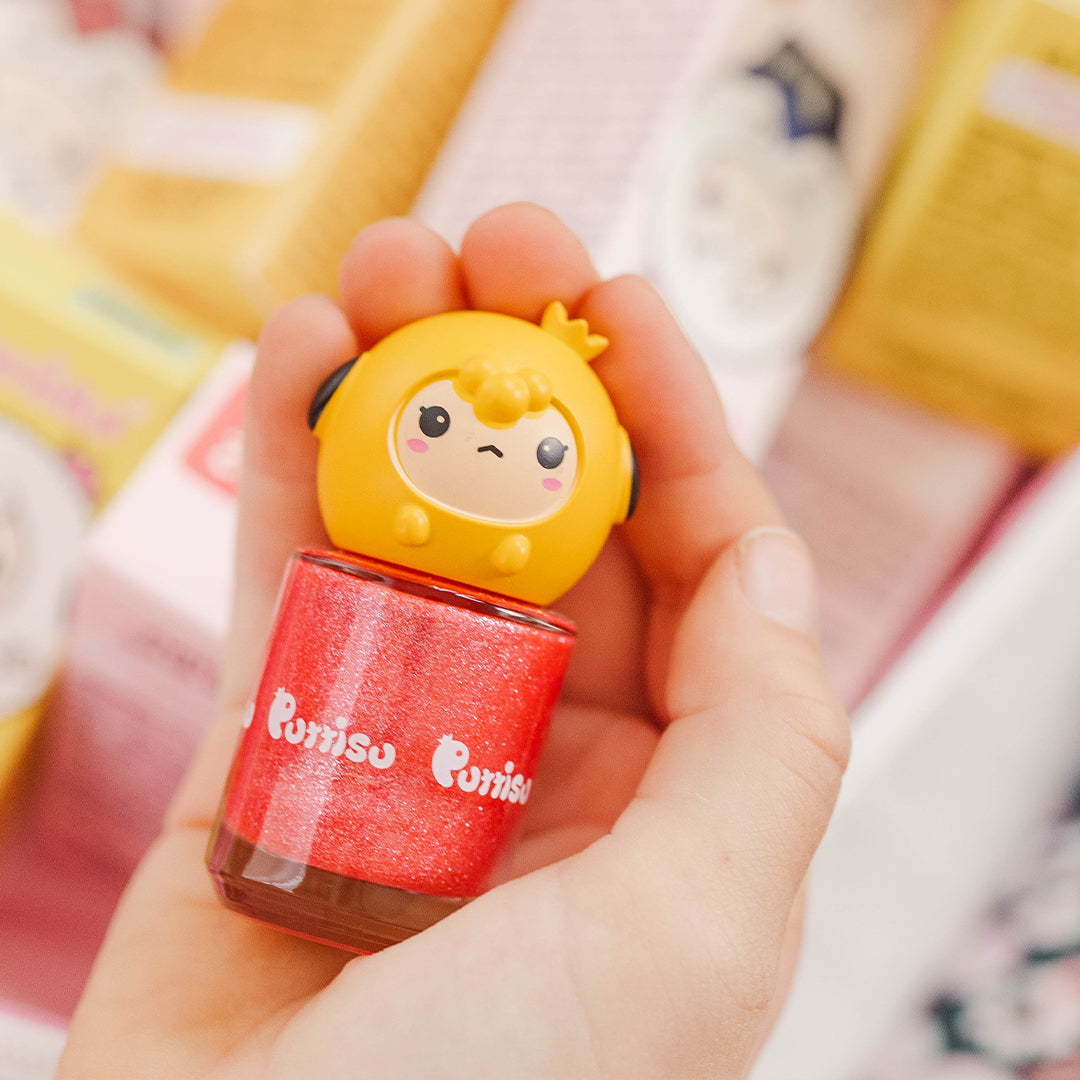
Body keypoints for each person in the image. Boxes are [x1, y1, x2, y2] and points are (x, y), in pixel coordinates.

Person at [56, 204, 850, 1079]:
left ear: (610, 484)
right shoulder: (344, 581)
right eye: (432, 425)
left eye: (543, 456)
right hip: (273, 865)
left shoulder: (518, 623)